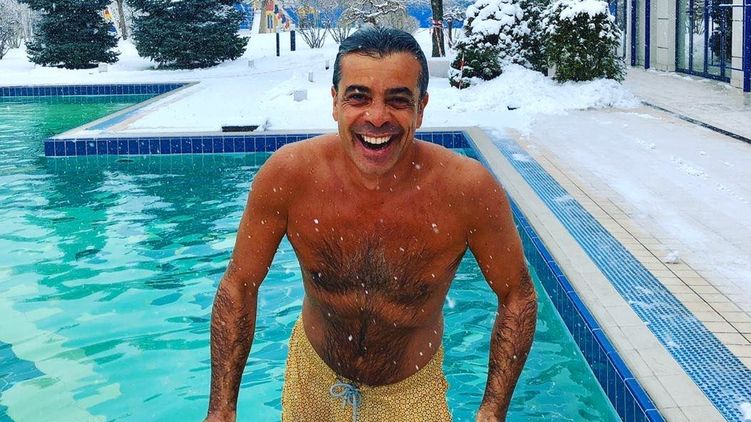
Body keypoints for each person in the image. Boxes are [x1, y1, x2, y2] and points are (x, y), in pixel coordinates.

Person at [204, 27, 537, 422]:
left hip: (411, 392)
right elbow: (240, 284)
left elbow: (517, 295)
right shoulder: (290, 175)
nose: (377, 117)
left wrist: (493, 410)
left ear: (421, 108)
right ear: (334, 102)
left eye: (398, 100)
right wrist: (221, 409)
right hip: (314, 377)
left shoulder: (467, 190)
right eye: (358, 97)